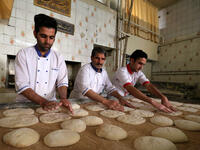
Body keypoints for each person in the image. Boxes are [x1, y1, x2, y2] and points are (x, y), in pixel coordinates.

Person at [15, 14, 73, 113]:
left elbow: (62, 82)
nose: (47, 41)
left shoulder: (58, 57)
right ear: (35, 34)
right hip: (25, 106)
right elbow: (22, 85)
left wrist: (63, 98)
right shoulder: (23, 54)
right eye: (43, 36)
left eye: (51, 37)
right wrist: (43, 102)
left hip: (51, 105)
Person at [70, 47, 135, 111]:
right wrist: (106, 102)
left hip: (93, 102)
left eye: (102, 59)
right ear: (91, 58)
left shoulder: (104, 72)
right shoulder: (85, 69)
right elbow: (86, 90)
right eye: (97, 58)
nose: (100, 62)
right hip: (78, 102)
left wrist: (120, 98)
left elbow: (110, 88)